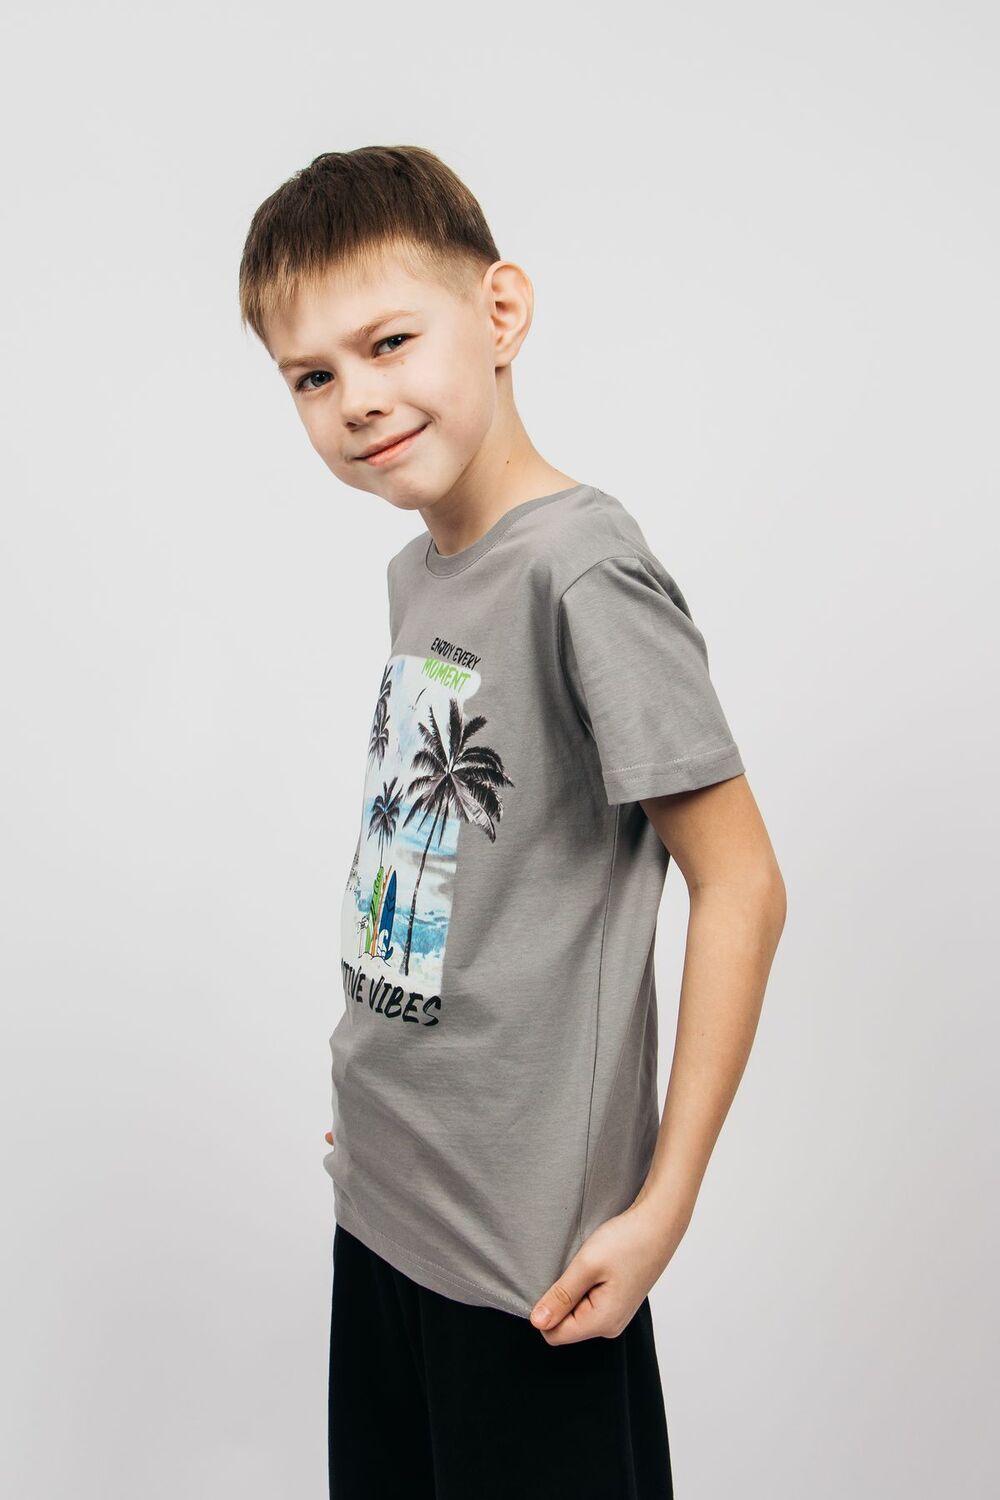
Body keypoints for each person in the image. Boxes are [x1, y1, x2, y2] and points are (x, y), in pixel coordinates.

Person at [238, 145, 787, 1499]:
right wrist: (379, 1109)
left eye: (387, 343)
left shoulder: (582, 572)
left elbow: (742, 884)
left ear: (499, 313)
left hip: (528, 1263)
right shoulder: (419, 572)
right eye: (311, 377)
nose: (358, 400)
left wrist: (661, 1206)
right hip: (384, 1203)